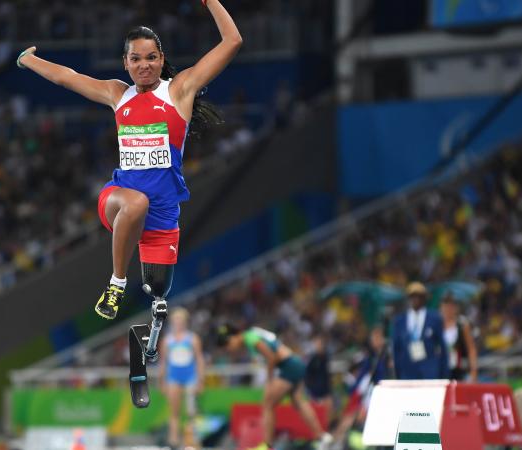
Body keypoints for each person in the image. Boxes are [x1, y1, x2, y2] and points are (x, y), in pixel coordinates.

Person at [16, 0, 242, 319]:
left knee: (158, 289)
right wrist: (29, 60)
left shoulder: (179, 91)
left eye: (151, 58)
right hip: (119, 202)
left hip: (162, 216)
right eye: (135, 59)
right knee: (136, 203)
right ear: (125, 63)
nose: (144, 65)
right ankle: (116, 283)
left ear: (161, 60)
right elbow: (66, 77)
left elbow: (232, 42)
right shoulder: (117, 94)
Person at [217, 324, 333, 450]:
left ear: (234, 336)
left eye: (227, 344)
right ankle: (321, 437)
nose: (228, 348)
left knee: (267, 404)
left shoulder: (249, 337)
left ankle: (267, 445)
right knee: (299, 403)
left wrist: (269, 380)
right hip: (295, 363)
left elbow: (272, 356)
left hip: (288, 366)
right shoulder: (252, 334)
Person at [332, 325, 391, 448]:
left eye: (378, 337)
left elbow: (383, 377)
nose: (375, 340)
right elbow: (358, 376)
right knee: (348, 416)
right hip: (362, 394)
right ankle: (335, 442)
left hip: (378, 395)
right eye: (373, 337)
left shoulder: (387, 357)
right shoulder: (368, 357)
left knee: (355, 417)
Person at [158, 308, 205, 447]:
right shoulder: (167, 340)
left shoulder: (192, 338)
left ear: (185, 322)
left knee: (191, 411)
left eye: (180, 321)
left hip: (190, 376)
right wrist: (161, 382)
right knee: (174, 412)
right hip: (174, 377)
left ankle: (192, 442)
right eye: (175, 320)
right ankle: (173, 442)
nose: (178, 323)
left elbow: (199, 359)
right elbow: (163, 362)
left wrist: (201, 380)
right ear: (172, 322)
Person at [391, 282, 450, 380]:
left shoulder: (434, 319)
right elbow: (396, 349)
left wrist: (443, 373)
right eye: (412, 296)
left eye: (419, 296)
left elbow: (442, 347)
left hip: (429, 371)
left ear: (424, 298)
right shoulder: (399, 321)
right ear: (408, 299)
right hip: (407, 371)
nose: (415, 299)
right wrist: (398, 372)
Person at [440, 295, 478, 382]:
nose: (448, 309)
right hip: (440, 369)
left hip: (458, 369)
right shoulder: (437, 325)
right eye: (445, 306)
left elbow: (471, 349)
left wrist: (473, 373)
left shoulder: (462, 325)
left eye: (451, 306)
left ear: (456, 308)